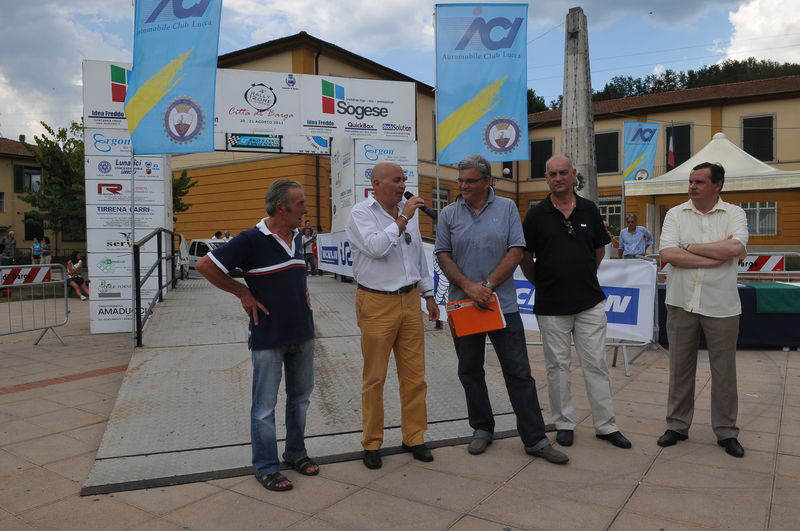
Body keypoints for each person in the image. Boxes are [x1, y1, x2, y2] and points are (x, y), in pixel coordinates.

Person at [435, 155, 569, 465]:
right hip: (464, 305)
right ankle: (482, 428)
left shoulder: (507, 208)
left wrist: (488, 285)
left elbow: (516, 250)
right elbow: (443, 255)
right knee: (470, 371)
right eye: (460, 181)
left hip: (502, 306)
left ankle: (535, 439)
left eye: (470, 181)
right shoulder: (448, 214)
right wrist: (470, 288)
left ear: (486, 181)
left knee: (519, 373)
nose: (463, 186)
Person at [196, 179, 319, 491]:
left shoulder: (297, 237)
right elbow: (205, 265)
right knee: (264, 408)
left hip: (303, 332)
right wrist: (242, 293)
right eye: (300, 204)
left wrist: (302, 294)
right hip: (269, 336)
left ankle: (295, 453)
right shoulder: (251, 239)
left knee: (300, 399)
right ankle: (266, 467)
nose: (305, 209)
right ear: (282, 207)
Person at [521, 154, 631, 450]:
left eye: (563, 173)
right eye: (552, 174)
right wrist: (542, 282)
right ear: (546, 178)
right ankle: (564, 424)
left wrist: (582, 276)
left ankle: (606, 425)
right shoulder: (536, 215)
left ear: (573, 175)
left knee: (596, 364)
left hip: (589, 303)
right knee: (557, 367)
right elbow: (525, 257)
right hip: (551, 305)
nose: (558, 178)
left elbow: (599, 251)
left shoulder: (590, 209)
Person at [346, 162, 440, 470]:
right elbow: (376, 248)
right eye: (397, 180)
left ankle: (414, 436)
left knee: (415, 376)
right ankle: (372, 442)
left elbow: (417, 257)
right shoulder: (361, 214)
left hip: (410, 300)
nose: (403, 185)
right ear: (377, 184)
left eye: (404, 180)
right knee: (374, 378)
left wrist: (428, 295)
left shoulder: (405, 214)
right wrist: (403, 219)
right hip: (376, 302)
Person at [657, 162, 749, 458]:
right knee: (680, 368)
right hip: (681, 302)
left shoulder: (735, 213)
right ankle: (677, 425)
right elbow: (668, 253)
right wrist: (715, 255)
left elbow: (735, 249)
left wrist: (689, 247)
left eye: (699, 182)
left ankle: (726, 431)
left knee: (724, 372)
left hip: (721, 305)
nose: (692, 186)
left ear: (717, 185)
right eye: (691, 181)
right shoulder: (675, 214)